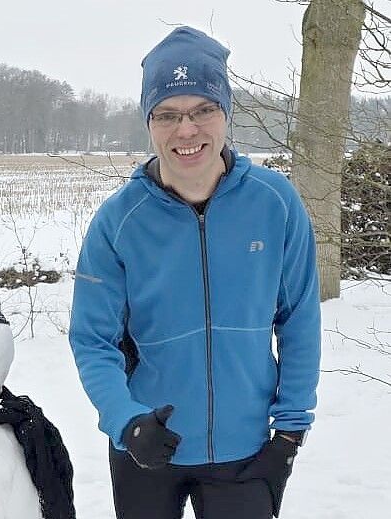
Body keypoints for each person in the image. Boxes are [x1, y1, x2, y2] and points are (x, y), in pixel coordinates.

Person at [69, 26, 320, 519]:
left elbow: (299, 320)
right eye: (167, 115)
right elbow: (92, 340)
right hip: (145, 446)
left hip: (246, 452)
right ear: (149, 123)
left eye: (203, 110)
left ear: (226, 114)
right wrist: (126, 421)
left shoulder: (275, 203)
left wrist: (290, 431)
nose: (186, 131)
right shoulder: (118, 221)